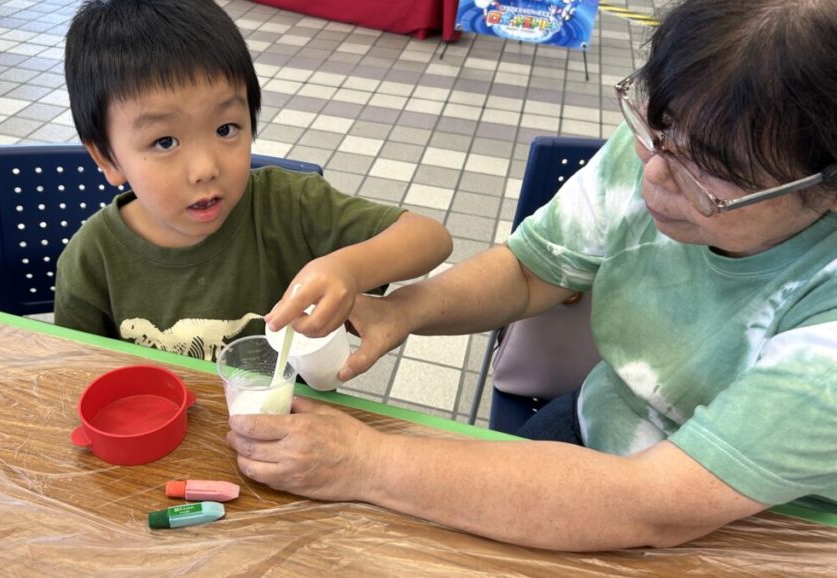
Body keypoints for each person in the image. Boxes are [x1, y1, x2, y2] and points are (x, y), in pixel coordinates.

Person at [231, 0, 837, 551]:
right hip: (604, 419)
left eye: (710, 174)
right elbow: (532, 270)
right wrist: (403, 309)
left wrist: (363, 462)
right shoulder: (676, 143)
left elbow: (658, 504)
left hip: (767, 521)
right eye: (656, 127)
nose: (652, 177)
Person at [56, 0, 451, 361]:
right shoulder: (91, 260)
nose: (205, 168)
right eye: (165, 141)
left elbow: (430, 238)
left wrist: (350, 268)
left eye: (226, 129)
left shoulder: (290, 205)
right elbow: (78, 374)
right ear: (106, 157)